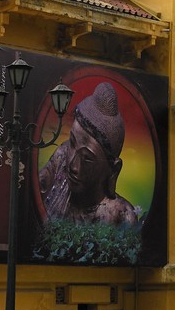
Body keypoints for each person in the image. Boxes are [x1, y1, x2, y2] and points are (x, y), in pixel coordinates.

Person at [39, 81, 142, 227]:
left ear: (113, 169)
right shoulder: (62, 156)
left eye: (87, 158)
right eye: (72, 143)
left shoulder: (121, 215)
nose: (73, 166)